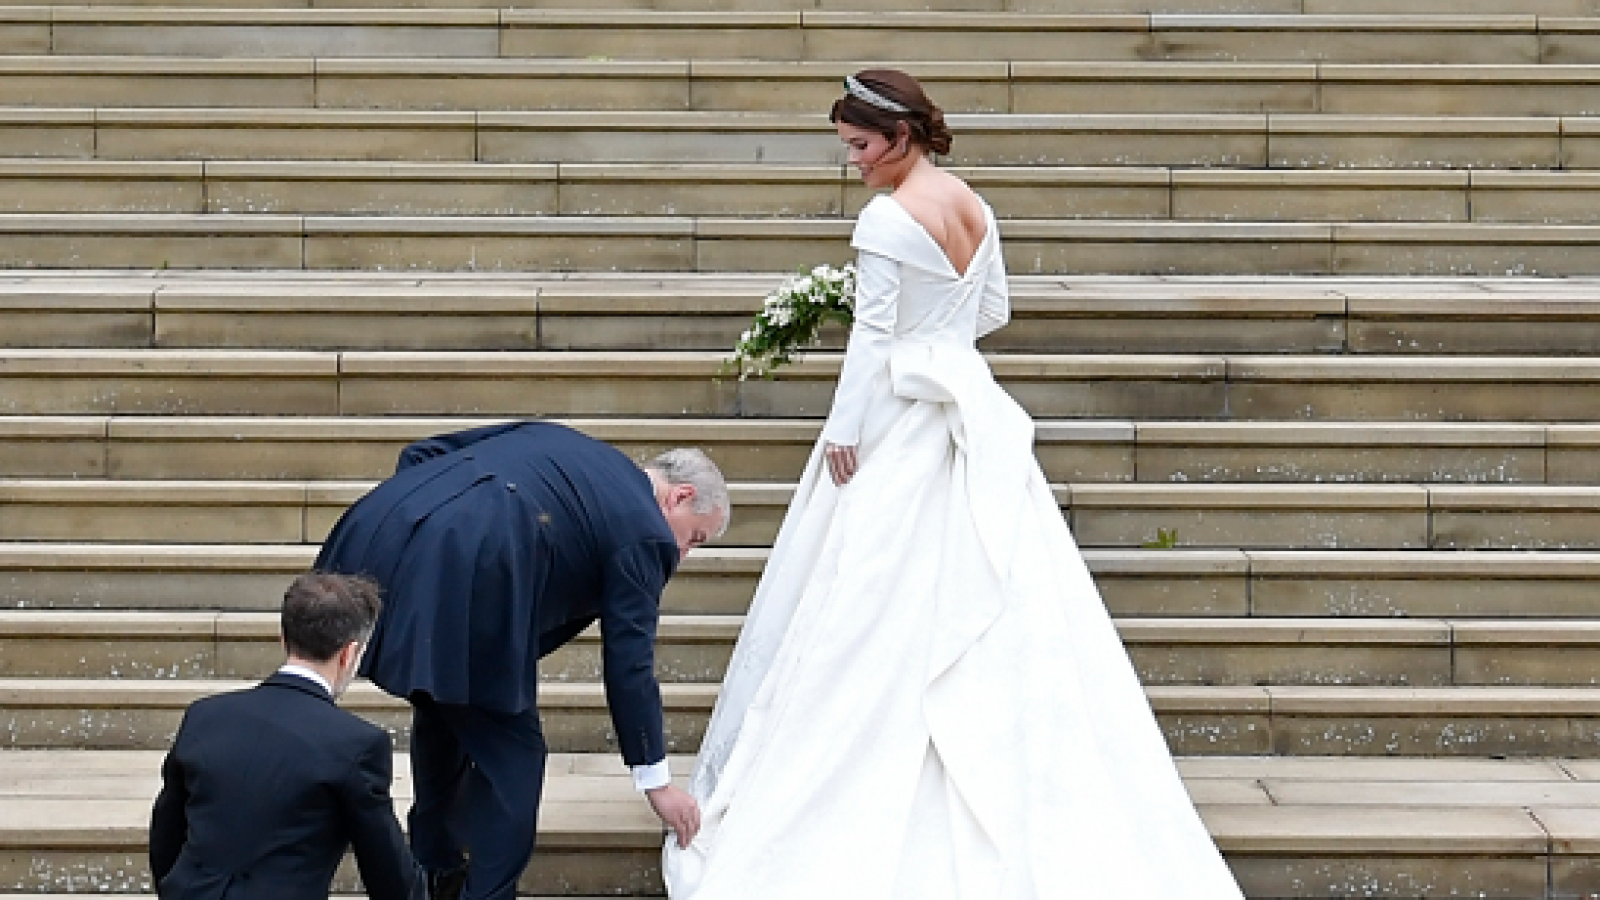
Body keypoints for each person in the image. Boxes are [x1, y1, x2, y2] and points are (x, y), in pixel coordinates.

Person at [662, 70, 1246, 898]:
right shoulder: (972, 204)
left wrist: (844, 430)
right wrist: (936, 337)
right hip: (966, 414)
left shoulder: (886, 217)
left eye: (861, 148)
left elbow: (870, 342)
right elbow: (992, 312)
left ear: (899, 137)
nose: (854, 164)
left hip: (902, 419)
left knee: (865, 607)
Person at [313, 421, 728, 900]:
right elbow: (628, 664)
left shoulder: (560, 441)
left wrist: (429, 531)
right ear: (680, 496)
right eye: (695, 537)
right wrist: (656, 781)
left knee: (446, 707)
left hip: (376, 531)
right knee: (515, 758)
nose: (684, 553)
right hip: (467, 575)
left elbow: (422, 452)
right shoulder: (646, 533)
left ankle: (434, 871)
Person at [149, 572, 423, 900]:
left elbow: (166, 832)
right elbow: (389, 873)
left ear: (283, 638)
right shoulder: (356, 744)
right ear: (349, 654)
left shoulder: (205, 716)